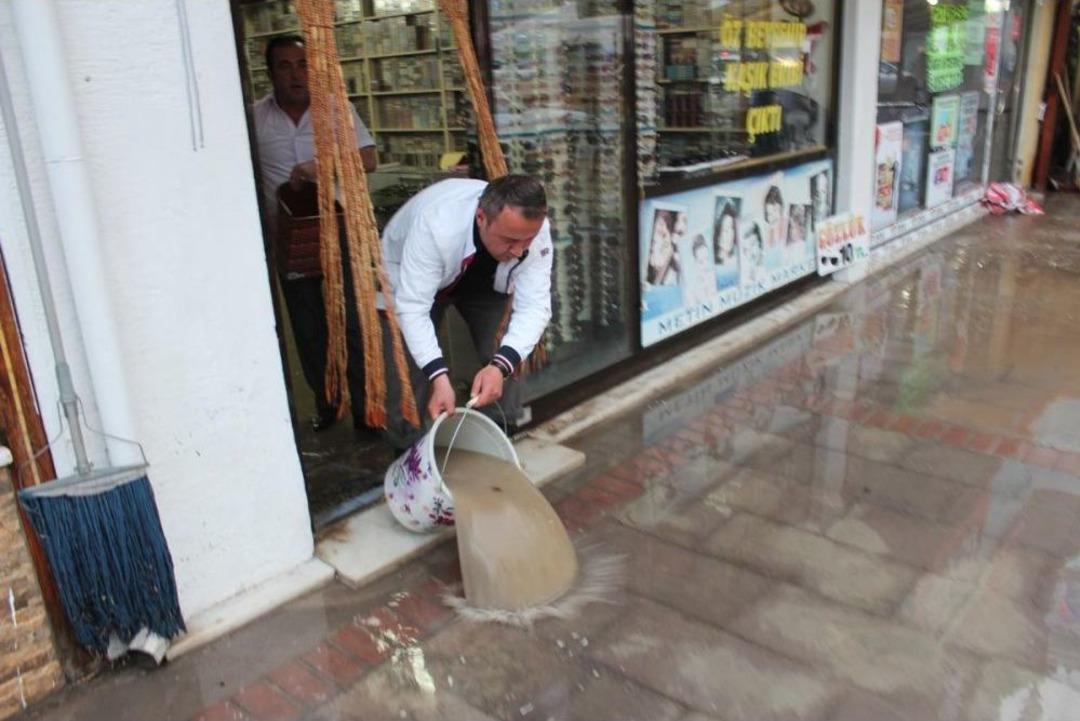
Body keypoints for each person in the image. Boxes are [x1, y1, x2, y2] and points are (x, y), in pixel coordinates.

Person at [253, 35, 377, 433]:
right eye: (285, 66)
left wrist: (318, 167)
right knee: (308, 328)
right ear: (271, 72)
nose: (296, 74)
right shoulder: (253, 118)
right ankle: (328, 406)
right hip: (290, 242)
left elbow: (369, 158)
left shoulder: (336, 110)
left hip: (339, 236)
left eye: (303, 64)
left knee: (354, 324)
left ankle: (366, 412)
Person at [377, 175, 553, 447]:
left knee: (505, 355)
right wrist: (439, 376)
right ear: (481, 218)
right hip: (417, 278)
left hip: (487, 282)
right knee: (407, 368)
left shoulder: (534, 230)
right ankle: (407, 446)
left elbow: (535, 307)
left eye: (526, 241)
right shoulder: (435, 225)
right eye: (509, 240)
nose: (519, 252)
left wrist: (499, 366)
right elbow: (413, 308)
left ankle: (497, 433)